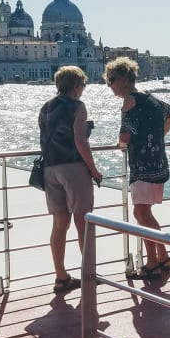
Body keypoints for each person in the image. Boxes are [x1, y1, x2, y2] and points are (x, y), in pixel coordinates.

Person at [105, 57, 170, 282]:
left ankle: (153, 264)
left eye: (112, 80)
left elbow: (124, 137)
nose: (110, 85)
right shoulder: (151, 98)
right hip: (159, 163)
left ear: (125, 79)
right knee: (144, 213)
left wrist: (122, 144)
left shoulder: (130, 101)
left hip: (142, 166)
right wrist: (157, 138)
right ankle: (162, 257)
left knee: (141, 214)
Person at [38, 65, 103, 293]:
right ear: (76, 86)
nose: (83, 90)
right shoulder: (77, 106)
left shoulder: (46, 107)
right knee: (83, 223)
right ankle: (89, 275)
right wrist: (94, 170)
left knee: (59, 225)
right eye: (83, 85)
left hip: (50, 169)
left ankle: (61, 276)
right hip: (73, 168)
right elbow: (79, 141)